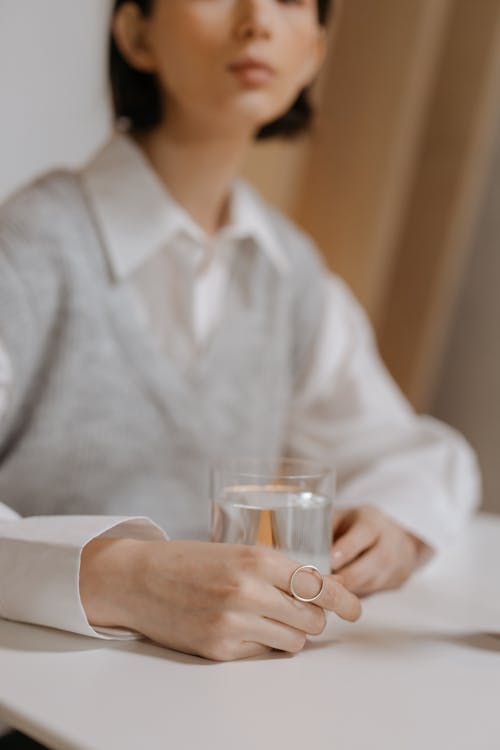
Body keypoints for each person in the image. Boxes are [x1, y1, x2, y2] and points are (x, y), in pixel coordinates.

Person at [0, 0, 479, 666]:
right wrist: (122, 577)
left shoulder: (291, 272)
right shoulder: (26, 247)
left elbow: (418, 456)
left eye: (290, 1)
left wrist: (397, 527)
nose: (258, 20)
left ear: (313, 51)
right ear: (137, 33)